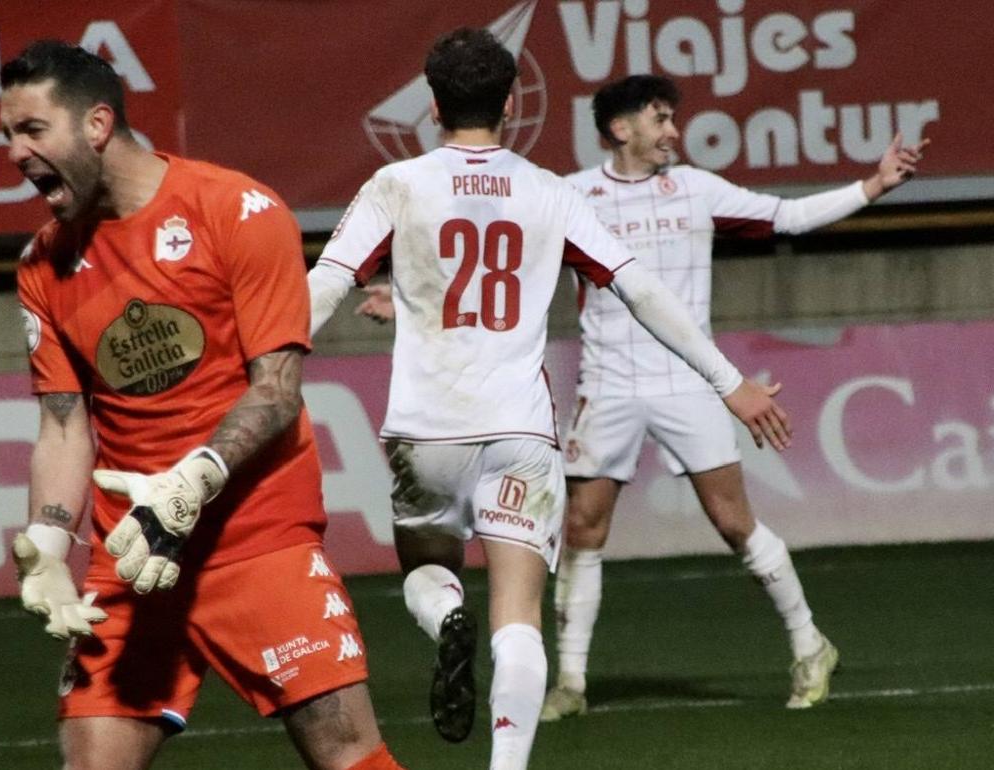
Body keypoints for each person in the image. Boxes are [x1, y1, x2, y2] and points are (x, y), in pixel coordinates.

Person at [307, 30, 789, 770]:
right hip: (521, 434)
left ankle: (446, 618)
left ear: (432, 106)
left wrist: (258, 361)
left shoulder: (396, 185)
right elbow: (641, 290)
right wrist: (729, 382)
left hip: (426, 429)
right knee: (519, 617)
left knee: (425, 572)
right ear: (510, 104)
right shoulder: (549, 191)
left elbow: (328, 283)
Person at [0, 40, 404, 770]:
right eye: (8, 134)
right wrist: (51, 546)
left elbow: (277, 391)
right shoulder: (43, 264)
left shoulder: (237, 211)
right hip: (132, 558)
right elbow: (64, 427)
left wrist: (195, 478)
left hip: (256, 539)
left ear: (96, 126)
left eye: (31, 130)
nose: (14, 151)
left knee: (346, 754)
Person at [535, 74, 930, 721]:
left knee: (732, 521)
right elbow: (508, 262)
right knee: (582, 528)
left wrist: (874, 186)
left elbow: (789, 215)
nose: (672, 130)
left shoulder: (696, 189)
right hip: (606, 384)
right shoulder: (573, 196)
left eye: (672, 118)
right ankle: (572, 683)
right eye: (660, 119)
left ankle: (810, 645)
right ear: (619, 129)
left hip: (692, 381)